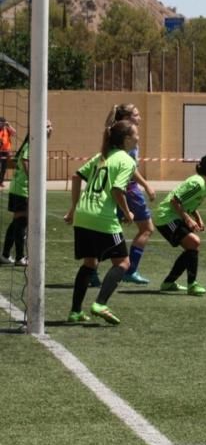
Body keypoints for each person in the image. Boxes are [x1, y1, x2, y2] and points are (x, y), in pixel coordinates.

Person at [63, 120, 138, 325]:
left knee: (90, 262)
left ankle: (75, 311)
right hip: (102, 218)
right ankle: (100, 303)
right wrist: (128, 212)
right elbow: (116, 190)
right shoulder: (127, 160)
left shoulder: (101, 156)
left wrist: (73, 208)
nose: (138, 138)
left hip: (83, 215)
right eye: (136, 134)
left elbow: (76, 176)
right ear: (127, 139)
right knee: (123, 262)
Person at [153, 153, 206, 296]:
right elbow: (175, 201)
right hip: (165, 217)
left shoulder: (203, 183)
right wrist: (188, 219)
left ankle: (169, 283)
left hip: (174, 215)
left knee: (192, 246)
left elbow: (188, 203)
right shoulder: (197, 183)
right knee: (194, 242)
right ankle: (191, 284)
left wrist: (197, 217)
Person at [103, 104, 157, 286]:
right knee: (147, 228)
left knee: (107, 231)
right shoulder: (128, 140)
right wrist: (147, 185)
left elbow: (106, 127)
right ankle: (130, 270)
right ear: (126, 117)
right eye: (136, 114)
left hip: (113, 186)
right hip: (129, 188)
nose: (140, 117)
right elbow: (130, 168)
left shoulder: (113, 136)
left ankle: (92, 271)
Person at [1, 121, 51, 266]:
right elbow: (25, 160)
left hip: (17, 188)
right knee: (22, 222)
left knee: (17, 221)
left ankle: (5, 254)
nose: (50, 128)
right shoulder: (32, 144)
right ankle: (20, 257)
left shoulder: (32, 143)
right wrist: (34, 181)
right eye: (47, 126)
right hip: (23, 189)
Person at [0, 117, 15, 188]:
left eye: (3, 123)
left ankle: (1, 181)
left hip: (6, 151)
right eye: (1, 123)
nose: (2, 125)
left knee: (4, 167)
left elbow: (14, 133)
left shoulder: (7, 129)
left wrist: (9, 125)